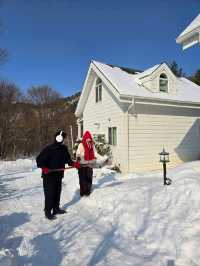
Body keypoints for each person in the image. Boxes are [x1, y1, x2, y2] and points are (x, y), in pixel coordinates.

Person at [36, 130, 80, 220]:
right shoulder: (49, 148)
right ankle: (47, 211)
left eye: (62, 138)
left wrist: (74, 164)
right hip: (48, 175)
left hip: (58, 175)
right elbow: (39, 159)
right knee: (49, 194)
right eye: (60, 137)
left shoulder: (64, 149)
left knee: (57, 192)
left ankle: (56, 209)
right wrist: (44, 168)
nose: (61, 139)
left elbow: (68, 160)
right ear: (56, 138)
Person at [76, 130, 97, 197]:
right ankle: (82, 191)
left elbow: (95, 152)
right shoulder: (81, 145)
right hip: (82, 164)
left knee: (89, 177)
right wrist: (78, 158)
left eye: (89, 139)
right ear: (85, 138)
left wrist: (95, 158)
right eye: (87, 139)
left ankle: (88, 190)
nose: (88, 140)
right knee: (82, 178)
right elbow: (78, 153)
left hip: (89, 164)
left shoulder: (92, 145)